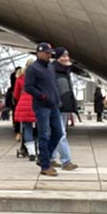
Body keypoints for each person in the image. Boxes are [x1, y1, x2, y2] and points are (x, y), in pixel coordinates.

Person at [24, 43, 65, 176]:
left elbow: (53, 85)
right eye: (47, 53)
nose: (49, 55)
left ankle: (43, 157)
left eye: (50, 53)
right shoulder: (33, 69)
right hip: (42, 106)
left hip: (53, 105)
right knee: (44, 134)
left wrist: (57, 99)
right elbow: (28, 87)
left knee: (58, 132)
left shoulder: (50, 67)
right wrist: (41, 96)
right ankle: (45, 166)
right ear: (39, 53)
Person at [50, 47, 79, 170]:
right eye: (62, 56)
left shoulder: (65, 71)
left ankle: (50, 158)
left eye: (67, 56)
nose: (66, 58)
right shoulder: (52, 70)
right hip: (56, 106)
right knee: (60, 133)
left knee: (57, 133)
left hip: (64, 106)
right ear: (57, 57)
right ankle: (66, 161)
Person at [13, 58, 38, 161]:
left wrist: (22, 99)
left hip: (24, 104)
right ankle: (39, 151)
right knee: (41, 128)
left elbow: (16, 94)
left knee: (27, 128)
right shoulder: (39, 77)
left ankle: (31, 152)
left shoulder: (21, 78)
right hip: (37, 104)